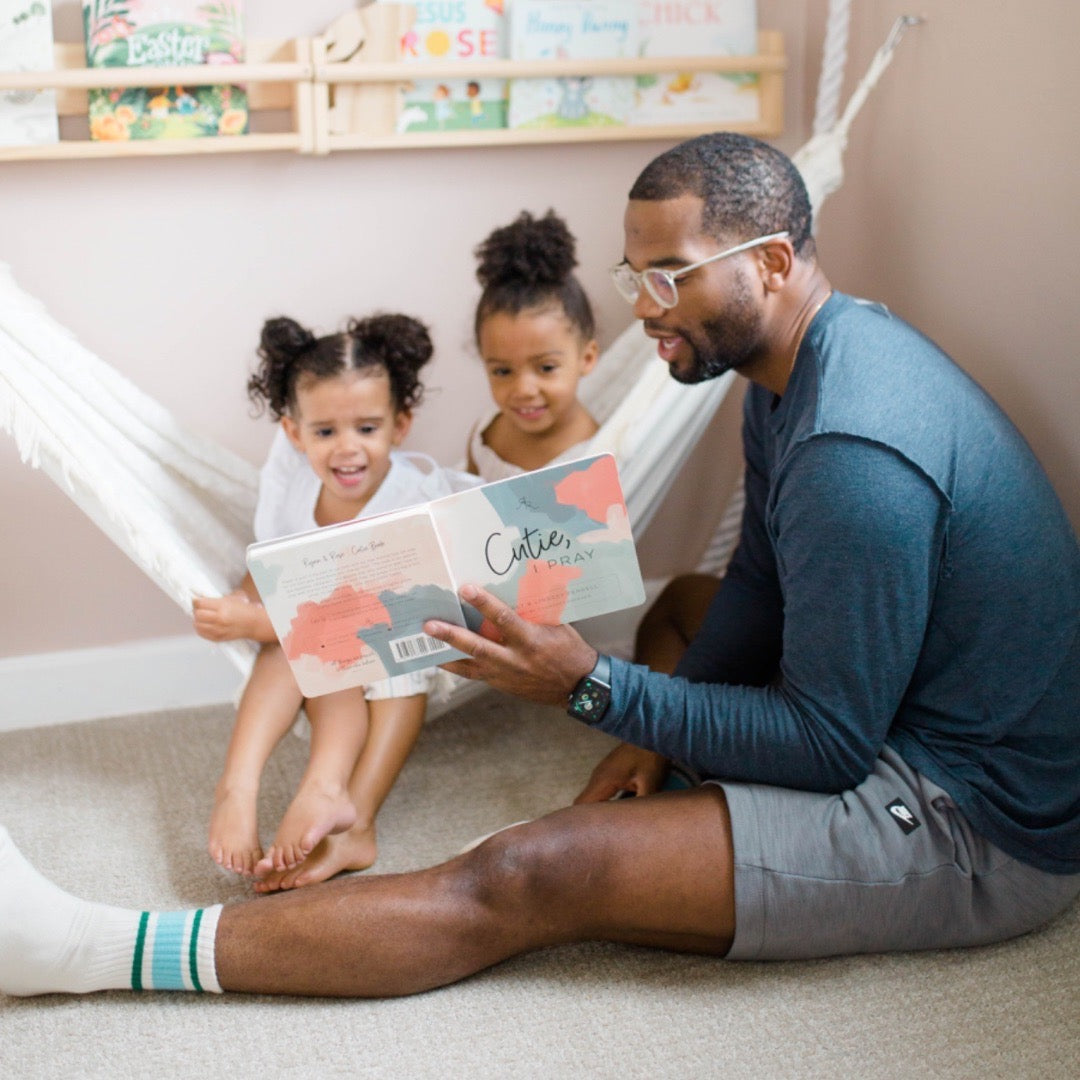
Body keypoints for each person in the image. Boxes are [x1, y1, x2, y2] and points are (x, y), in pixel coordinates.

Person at [2, 133, 1078, 1000]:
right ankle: (682, 788)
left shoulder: (855, 451)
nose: (643, 308)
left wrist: (592, 688)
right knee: (692, 608)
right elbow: (757, 581)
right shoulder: (794, 365)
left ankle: (98, 951)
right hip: (909, 704)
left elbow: (832, 745)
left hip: (970, 819)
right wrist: (658, 731)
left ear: (774, 264)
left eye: (670, 277)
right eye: (633, 272)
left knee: (534, 868)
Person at [192, 312, 475, 891]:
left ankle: (352, 812)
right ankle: (240, 787)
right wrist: (243, 606)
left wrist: (264, 618)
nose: (348, 450)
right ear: (294, 435)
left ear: (400, 425)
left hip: (410, 646)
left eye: (367, 429)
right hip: (325, 652)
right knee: (297, 649)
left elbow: (441, 582)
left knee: (369, 664)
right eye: (325, 433)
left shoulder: (418, 493)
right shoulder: (291, 487)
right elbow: (274, 572)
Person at [466, 208, 600, 480]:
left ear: (586, 358)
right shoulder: (485, 435)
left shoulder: (594, 459)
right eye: (502, 371)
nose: (524, 390)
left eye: (546, 367)